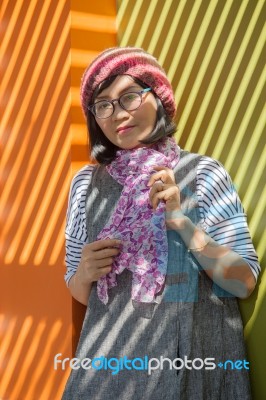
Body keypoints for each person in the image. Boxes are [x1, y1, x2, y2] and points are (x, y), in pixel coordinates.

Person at [62, 47, 260, 400]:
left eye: (129, 96)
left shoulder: (202, 174)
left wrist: (182, 223)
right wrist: (84, 273)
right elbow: (79, 291)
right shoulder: (85, 185)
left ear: (160, 97)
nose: (117, 113)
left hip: (194, 372)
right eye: (103, 104)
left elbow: (243, 281)